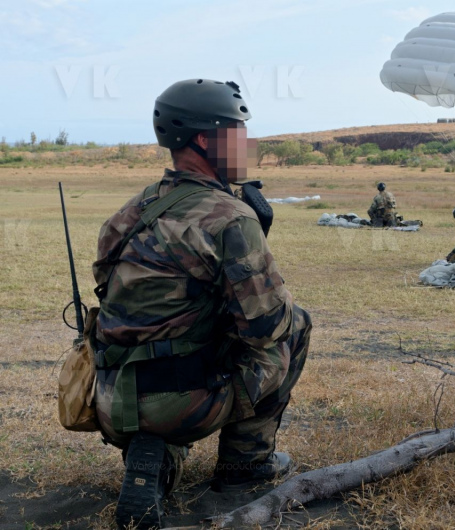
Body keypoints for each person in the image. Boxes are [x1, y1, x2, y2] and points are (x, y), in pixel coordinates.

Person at [91, 79, 311, 529]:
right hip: (185, 401)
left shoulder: (127, 213)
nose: (247, 143)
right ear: (204, 139)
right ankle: (245, 467)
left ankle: (155, 461)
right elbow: (267, 324)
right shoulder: (229, 216)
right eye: (238, 131)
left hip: (113, 400)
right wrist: (260, 254)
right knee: (296, 327)